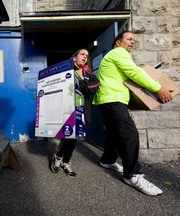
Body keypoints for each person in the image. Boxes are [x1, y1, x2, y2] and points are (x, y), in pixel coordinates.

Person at [92, 30, 173, 195]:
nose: (132, 42)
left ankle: (107, 160)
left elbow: (132, 74)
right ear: (118, 42)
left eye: (133, 40)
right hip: (112, 99)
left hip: (109, 99)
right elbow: (134, 73)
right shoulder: (118, 52)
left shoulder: (117, 56)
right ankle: (132, 175)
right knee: (130, 134)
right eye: (129, 39)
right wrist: (158, 89)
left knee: (115, 134)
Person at [50, 48, 100, 178]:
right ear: (74, 57)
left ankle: (65, 162)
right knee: (67, 135)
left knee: (76, 138)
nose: (85, 57)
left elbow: (95, 87)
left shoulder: (89, 74)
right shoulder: (66, 72)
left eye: (87, 56)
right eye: (82, 54)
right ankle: (58, 157)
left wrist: (80, 84)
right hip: (69, 109)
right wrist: (82, 85)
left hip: (84, 111)